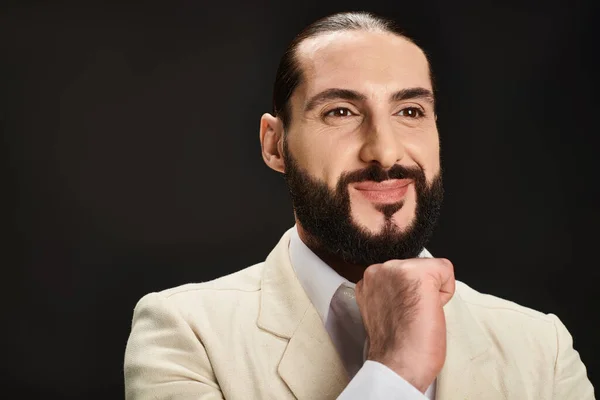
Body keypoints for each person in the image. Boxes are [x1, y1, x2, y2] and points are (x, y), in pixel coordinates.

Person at [124, 11, 595, 400]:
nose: (385, 153)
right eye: (341, 112)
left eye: (410, 111)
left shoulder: (541, 349)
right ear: (275, 145)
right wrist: (394, 372)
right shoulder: (185, 336)